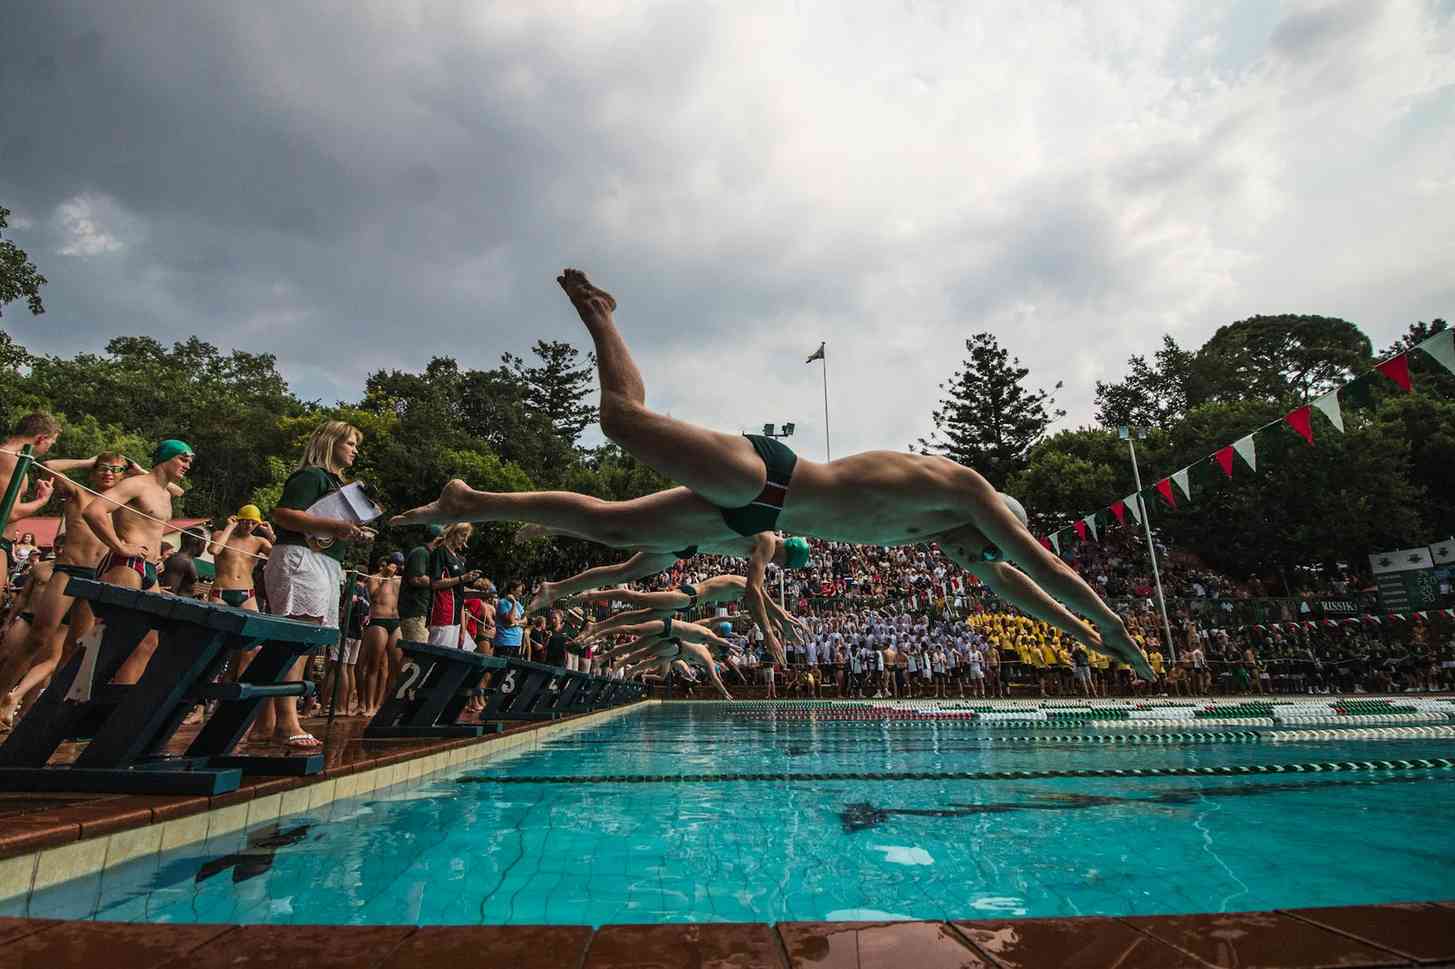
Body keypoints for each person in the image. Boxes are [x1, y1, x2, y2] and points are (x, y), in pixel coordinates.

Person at [395, 270, 1152, 679]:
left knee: (611, 523)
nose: (978, 561)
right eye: (989, 546)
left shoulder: (950, 535)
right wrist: (1111, 624)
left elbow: (1014, 584)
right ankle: (601, 310)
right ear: (1000, 520)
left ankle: (473, 500)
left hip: (754, 514)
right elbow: (1038, 564)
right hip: (770, 477)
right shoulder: (963, 494)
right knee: (621, 421)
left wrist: (1084, 639)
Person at [262, 421, 372, 749]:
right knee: (296, 637)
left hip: (325, 562)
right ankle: (287, 722)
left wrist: (350, 531)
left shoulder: (338, 484)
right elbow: (282, 514)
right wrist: (330, 524)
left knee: (307, 640)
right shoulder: (311, 476)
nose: (355, 450)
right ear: (330, 442)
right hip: (301, 557)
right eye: (349, 443)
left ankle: (267, 721)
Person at [0, 454, 128, 728]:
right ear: (95, 471)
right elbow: (49, 467)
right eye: (103, 469)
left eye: (115, 470)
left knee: (75, 649)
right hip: (69, 571)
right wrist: (88, 461)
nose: (108, 473)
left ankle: (46, 711)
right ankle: (2, 695)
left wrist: (133, 468)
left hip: (96, 578)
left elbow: (173, 489)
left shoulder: (123, 503)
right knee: (38, 638)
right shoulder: (79, 493)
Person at [81, 440, 195, 684]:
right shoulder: (135, 485)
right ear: (167, 458)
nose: (187, 465)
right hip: (126, 564)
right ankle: (80, 702)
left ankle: (115, 707)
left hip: (150, 568)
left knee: (148, 642)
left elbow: (176, 492)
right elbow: (94, 511)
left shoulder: (165, 493)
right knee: (116, 637)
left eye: (189, 461)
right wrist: (121, 546)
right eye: (183, 459)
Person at [359, 552, 403, 717]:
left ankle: (382, 703)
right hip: (378, 621)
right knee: (374, 665)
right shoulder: (374, 578)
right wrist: (385, 578)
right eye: (392, 564)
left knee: (397, 663)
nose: (394, 568)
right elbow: (374, 596)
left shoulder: (398, 580)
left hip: (395, 621)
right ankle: (369, 705)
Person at [208, 507, 275, 609]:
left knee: (252, 624)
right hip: (220, 592)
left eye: (254, 523)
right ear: (238, 520)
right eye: (246, 522)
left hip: (247, 594)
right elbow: (214, 550)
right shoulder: (220, 535)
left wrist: (271, 535)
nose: (249, 526)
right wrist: (229, 527)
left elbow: (280, 557)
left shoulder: (259, 542)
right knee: (216, 623)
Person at [428, 523, 482, 649]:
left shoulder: (458, 558)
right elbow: (435, 583)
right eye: (463, 535)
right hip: (443, 613)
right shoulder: (440, 552)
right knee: (438, 656)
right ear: (453, 533)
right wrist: (462, 578)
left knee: (465, 653)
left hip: (457, 617)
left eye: (466, 537)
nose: (464, 540)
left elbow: (459, 592)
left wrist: (463, 628)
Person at [399, 525, 443, 643]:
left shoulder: (430, 555)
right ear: (438, 540)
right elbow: (416, 579)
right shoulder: (421, 552)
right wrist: (442, 583)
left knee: (414, 654)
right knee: (416, 654)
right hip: (414, 612)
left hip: (422, 613)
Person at [160, 529, 205, 596]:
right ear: (197, 543)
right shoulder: (181, 561)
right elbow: (168, 591)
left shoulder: (184, 560)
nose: (204, 548)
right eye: (204, 544)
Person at [492, 580, 527, 658]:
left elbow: (525, 621)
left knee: (512, 669)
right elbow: (510, 620)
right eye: (519, 591)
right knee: (502, 669)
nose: (521, 594)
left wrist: (516, 623)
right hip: (505, 642)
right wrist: (513, 603)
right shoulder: (502, 603)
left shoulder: (519, 605)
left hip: (517, 643)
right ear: (512, 590)